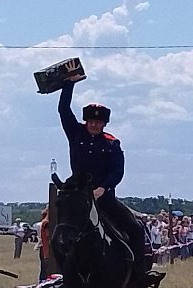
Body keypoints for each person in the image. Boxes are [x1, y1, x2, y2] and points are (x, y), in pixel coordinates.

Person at [57, 60, 146, 283]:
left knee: (135, 229)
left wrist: (103, 188)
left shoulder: (112, 143)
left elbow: (118, 171)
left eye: (98, 122)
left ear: (104, 124)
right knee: (60, 233)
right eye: (91, 121)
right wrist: (69, 85)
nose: (94, 125)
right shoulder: (75, 133)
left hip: (104, 197)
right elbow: (63, 109)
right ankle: (63, 275)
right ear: (86, 120)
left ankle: (139, 276)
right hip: (78, 196)